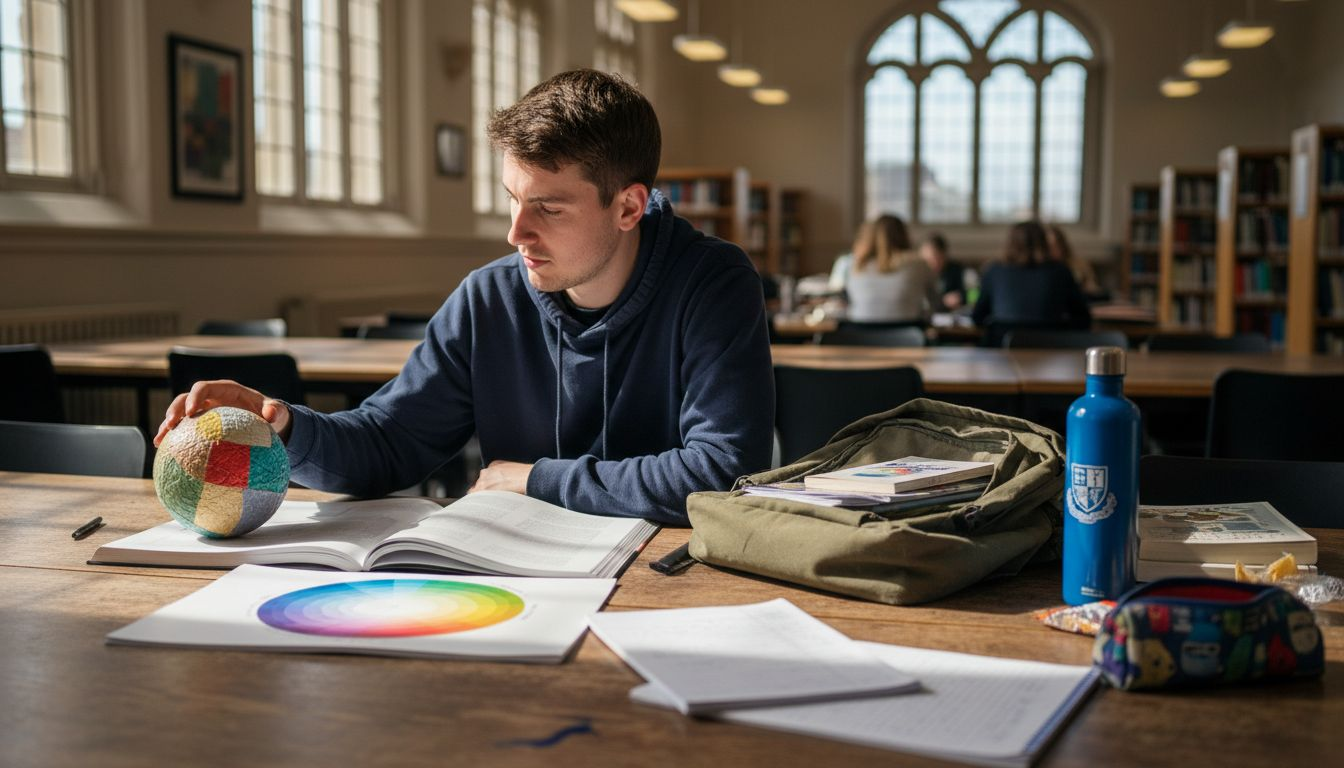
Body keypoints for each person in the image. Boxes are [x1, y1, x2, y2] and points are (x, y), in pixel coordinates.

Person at [154, 70, 775, 526]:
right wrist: (280, 425)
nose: (515, 233)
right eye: (512, 198)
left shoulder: (713, 284)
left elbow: (720, 472)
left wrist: (536, 480)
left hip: (664, 578)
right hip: (520, 572)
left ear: (629, 207)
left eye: (548, 209)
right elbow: (389, 444)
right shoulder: (488, 298)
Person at [971, 220, 1091, 331]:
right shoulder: (1060, 271)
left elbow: (978, 317)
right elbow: (1083, 318)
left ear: (1010, 243)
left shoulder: (994, 271)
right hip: (1051, 347)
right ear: (1043, 242)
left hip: (1002, 347)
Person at [843, 214, 940, 324]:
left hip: (858, 334)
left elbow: (850, 301)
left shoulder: (855, 265)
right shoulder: (919, 264)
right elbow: (936, 303)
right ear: (904, 235)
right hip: (909, 335)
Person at [1045, 224, 1101, 297]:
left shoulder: (1079, 264)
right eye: (1049, 247)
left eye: (1056, 246)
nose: (1052, 251)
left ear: (1062, 245)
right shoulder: (1043, 270)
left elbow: (1093, 288)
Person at [918, 233, 967, 311]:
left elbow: (977, 294)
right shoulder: (918, 274)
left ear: (944, 255)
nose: (929, 264)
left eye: (933, 258)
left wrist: (962, 296)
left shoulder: (958, 271)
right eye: (925, 260)